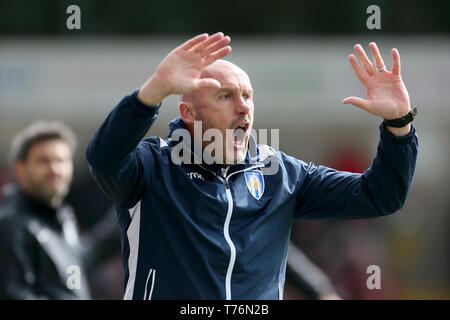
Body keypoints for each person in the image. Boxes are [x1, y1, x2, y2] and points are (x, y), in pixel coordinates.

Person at [86, 32, 418, 299]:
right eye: (225, 96)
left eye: (248, 96)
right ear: (188, 113)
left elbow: (381, 196)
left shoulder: (282, 174)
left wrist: (399, 124)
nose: (244, 108)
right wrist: (153, 92)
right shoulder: (152, 164)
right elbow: (102, 158)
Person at [0, 121, 119, 299]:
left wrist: (135, 207)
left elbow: (84, 257)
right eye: (43, 161)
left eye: (61, 160)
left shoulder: (63, 220)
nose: (54, 169)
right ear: (20, 169)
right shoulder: (11, 225)